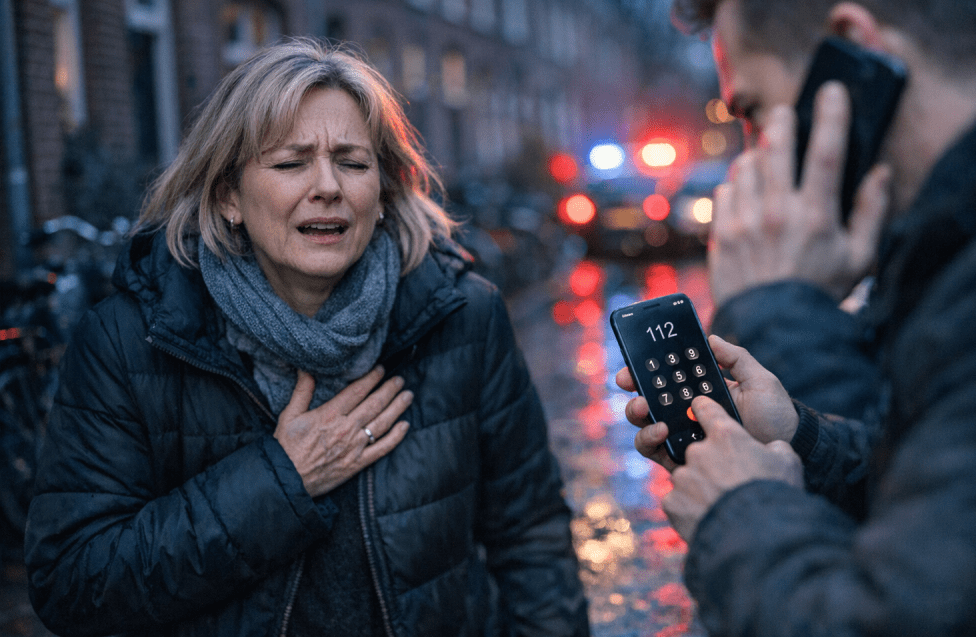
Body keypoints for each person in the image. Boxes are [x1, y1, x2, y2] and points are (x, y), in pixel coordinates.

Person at [25, 37, 589, 637]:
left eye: (353, 163)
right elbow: (72, 582)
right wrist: (281, 480)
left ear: (382, 191)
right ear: (229, 196)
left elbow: (532, 541)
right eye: (291, 163)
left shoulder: (463, 317)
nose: (327, 186)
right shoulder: (133, 339)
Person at [619, 0, 976, 634]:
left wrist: (742, 510)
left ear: (854, 58)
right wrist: (802, 442)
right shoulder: (975, 240)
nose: (751, 157)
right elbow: (949, 500)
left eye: (754, 112)